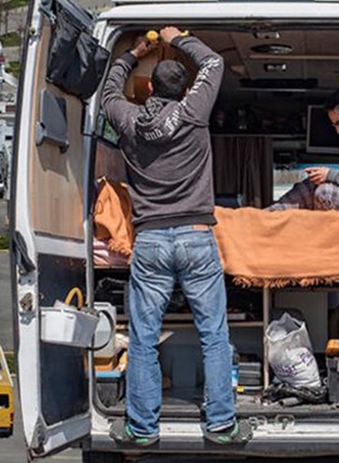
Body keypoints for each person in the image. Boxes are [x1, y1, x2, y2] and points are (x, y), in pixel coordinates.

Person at [100, 27, 252, 446]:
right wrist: (179, 36)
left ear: (148, 88)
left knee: (144, 339)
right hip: (197, 238)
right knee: (214, 335)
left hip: (150, 240)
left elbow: (109, 90)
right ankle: (221, 425)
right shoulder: (193, 112)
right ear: (186, 88)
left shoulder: (127, 119)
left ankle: (143, 430)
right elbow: (214, 63)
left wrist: (133, 53)